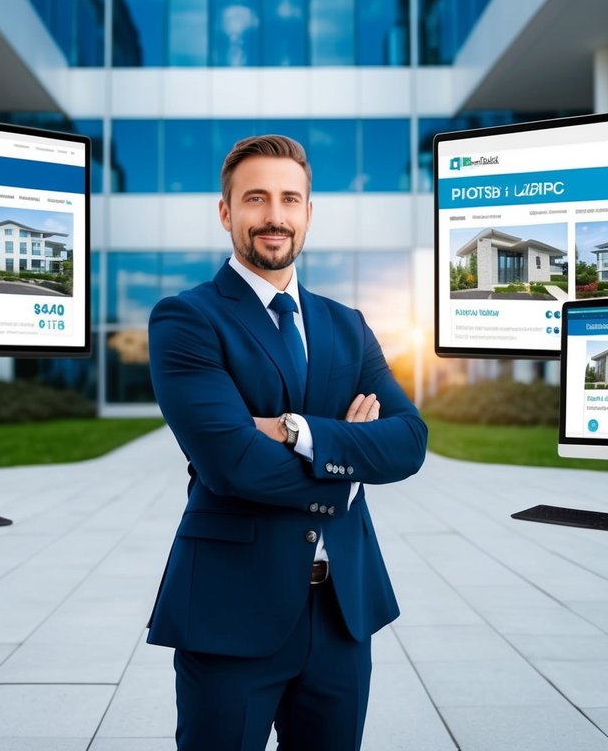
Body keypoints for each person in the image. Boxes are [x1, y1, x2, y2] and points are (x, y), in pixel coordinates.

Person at [146, 134, 428, 750]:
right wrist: (348, 461)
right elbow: (231, 463)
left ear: (307, 212)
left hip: (342, 614)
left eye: (289, 200)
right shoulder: (187, 319)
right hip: (232, 611)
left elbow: (408, 441)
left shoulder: (346, 325)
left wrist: (295, 430)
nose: (274, 216)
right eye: (256, 199)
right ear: (226, 212)